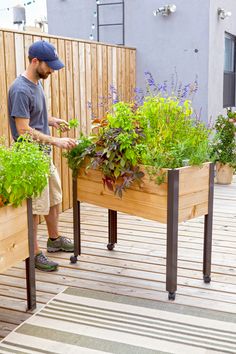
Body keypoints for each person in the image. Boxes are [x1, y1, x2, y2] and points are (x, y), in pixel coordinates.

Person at [8, 40, 77, 272]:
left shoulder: (36, 84)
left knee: (54, 199)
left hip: (43, 155)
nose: (52, 71)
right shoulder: (20, 89)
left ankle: (54, 240)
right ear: (35, 61)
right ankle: (34, 252)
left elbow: (34, 117)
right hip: (30, 159)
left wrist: (53, 121)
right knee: (36, 207)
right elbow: (23, 129)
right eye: (49, 66)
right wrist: (55, 140)